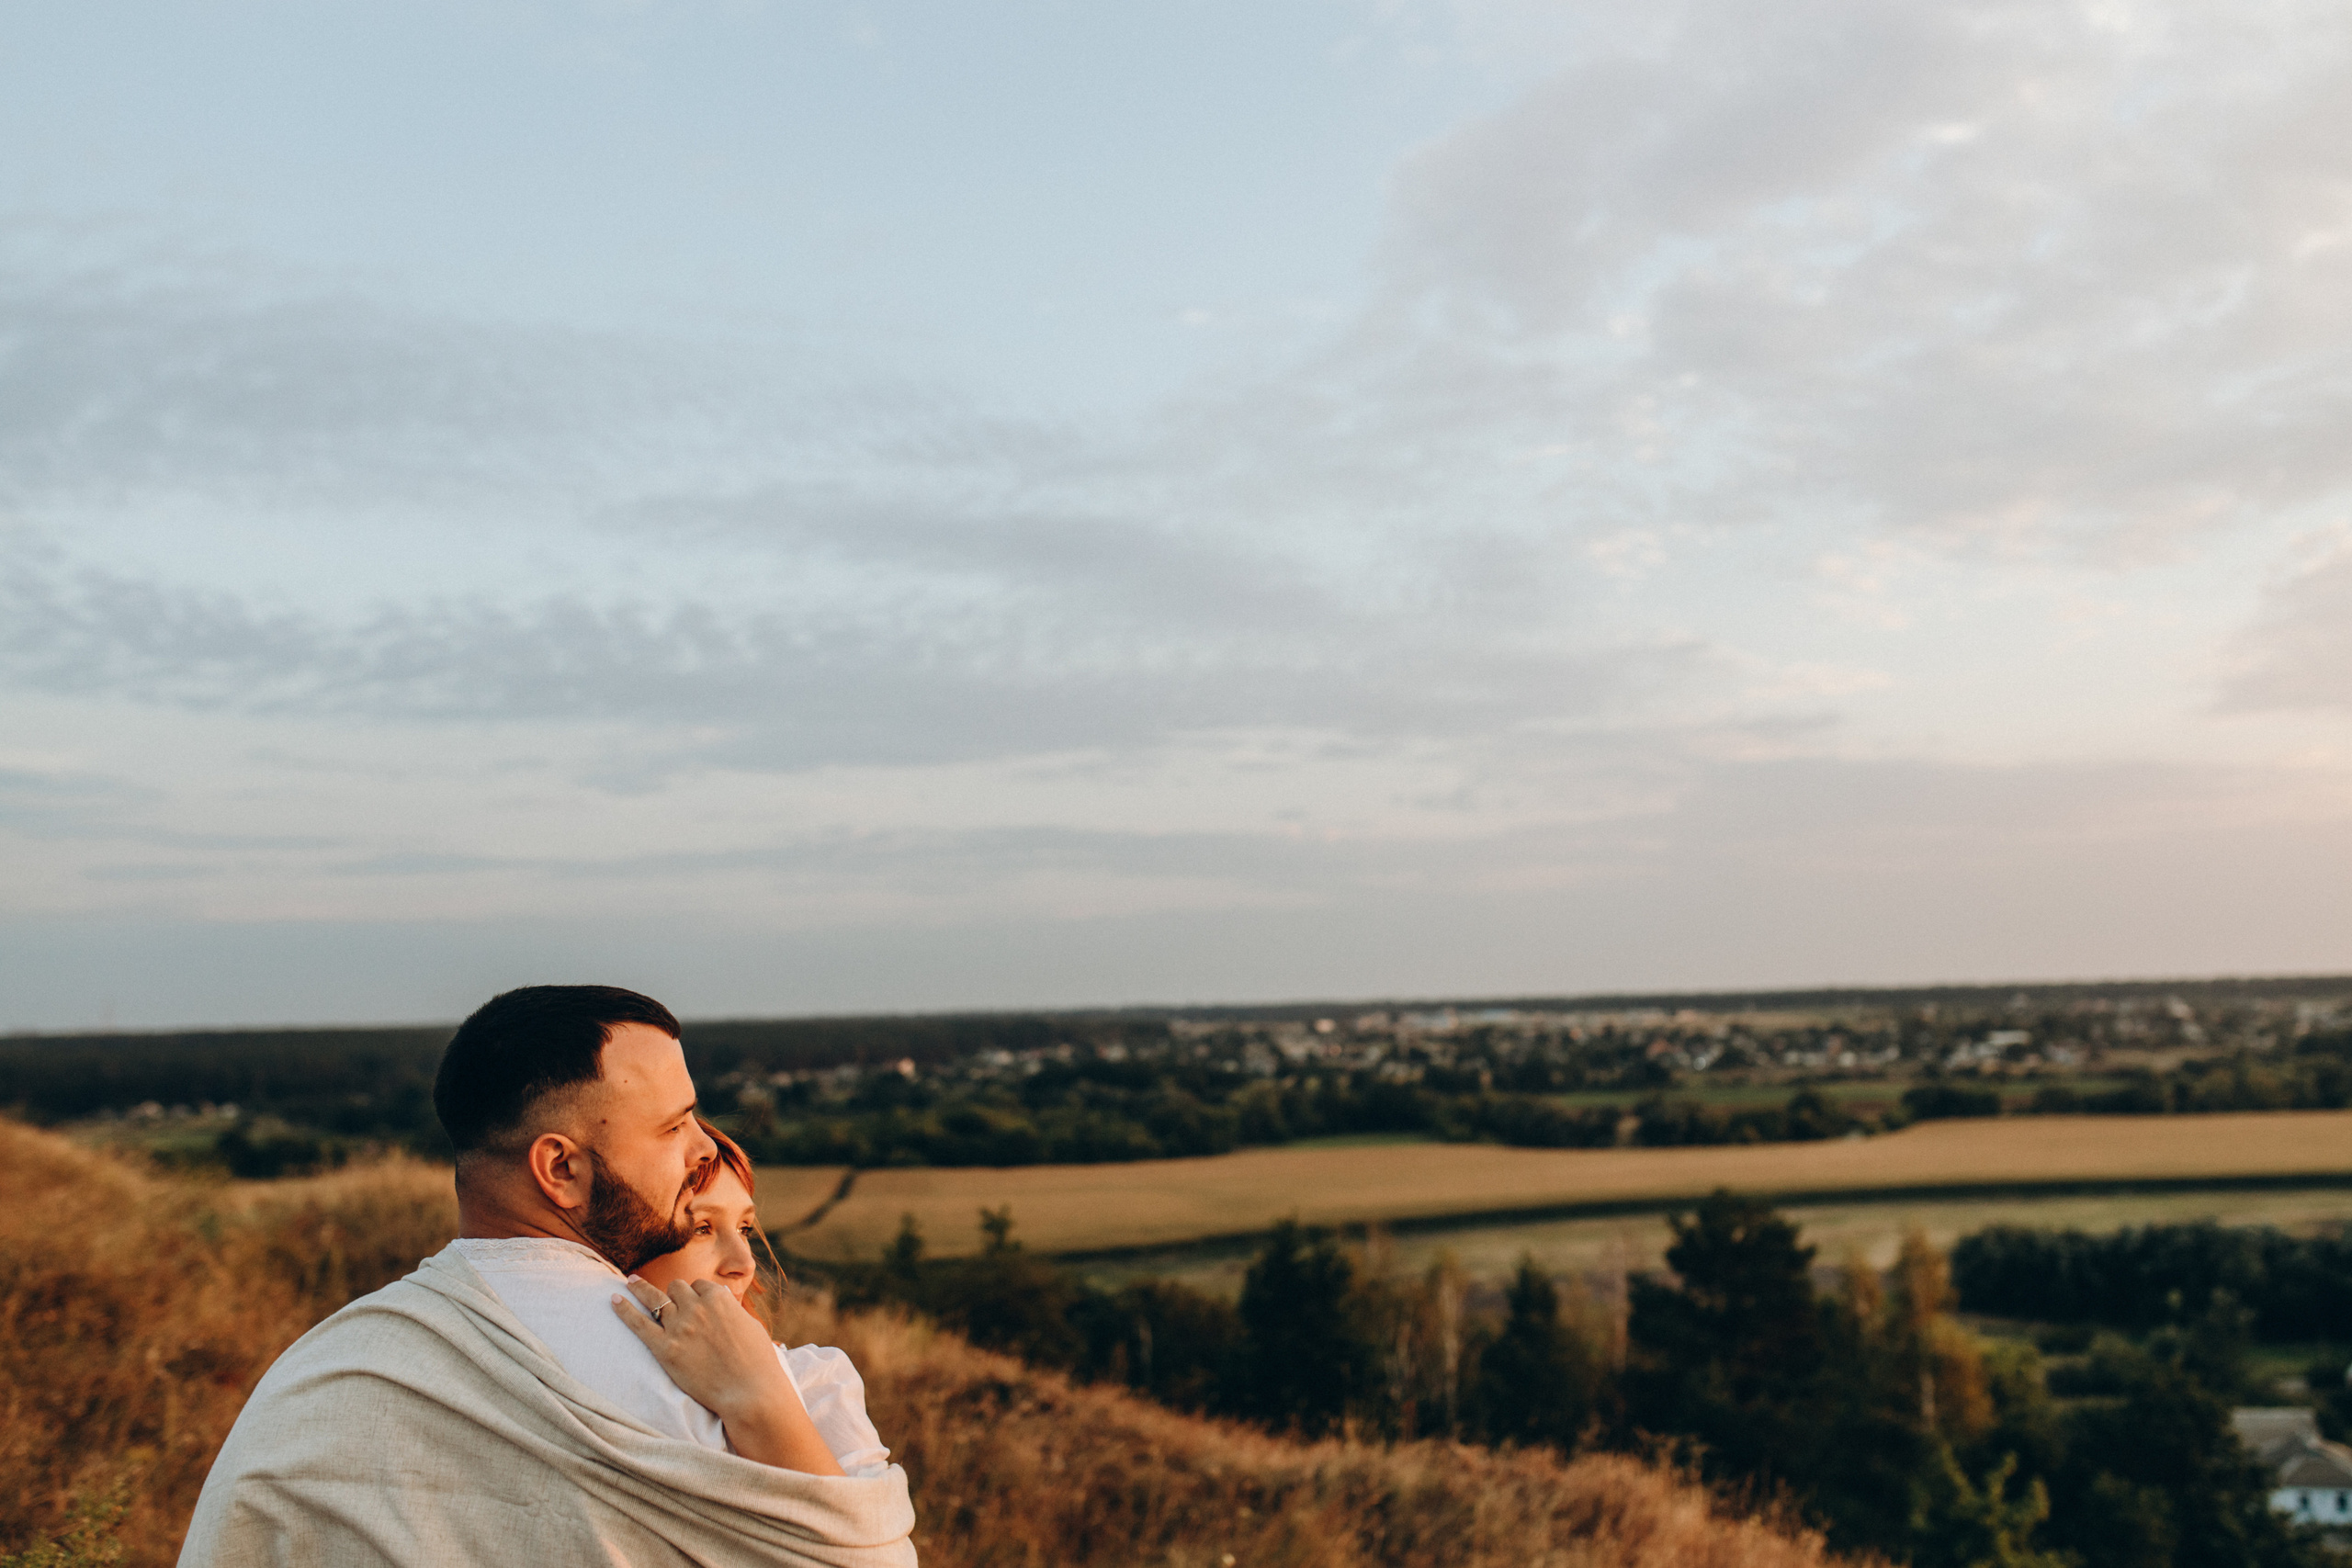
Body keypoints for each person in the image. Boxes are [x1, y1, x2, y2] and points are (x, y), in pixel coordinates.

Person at [178, 985, 917, 1567]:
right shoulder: (720, 1387)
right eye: (673, 1126)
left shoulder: (316, 1378)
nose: (702, 1151)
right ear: (560, 1168)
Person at [620, 1122, 891, 1478]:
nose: (744, 1265)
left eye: (744, 1230)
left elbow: (870, 1533)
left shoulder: (816, 1384)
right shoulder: (592, 1367)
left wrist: (758, 1397)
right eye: (702, 1228)